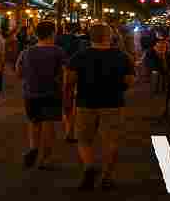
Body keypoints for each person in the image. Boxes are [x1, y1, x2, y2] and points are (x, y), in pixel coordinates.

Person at [64, 24, 135, 191]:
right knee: (111, 141)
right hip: (113, 102)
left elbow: (69, 80)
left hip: (85, 102)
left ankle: (89, 166)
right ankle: (106, 177)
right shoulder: (121, 56)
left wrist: (68, 98)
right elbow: (130, 81)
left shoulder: (79, 56)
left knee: (83, 139)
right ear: (109, 37)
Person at [16, 20, 68, 170]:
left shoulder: (26, 51)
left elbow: (18, 71)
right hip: (51, 92)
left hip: (30, 92)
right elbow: (64, 73)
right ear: (53, 33)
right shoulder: (58, 51)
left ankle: (33, 147)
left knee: (33, 123)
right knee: (48, 125)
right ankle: (46, 158)